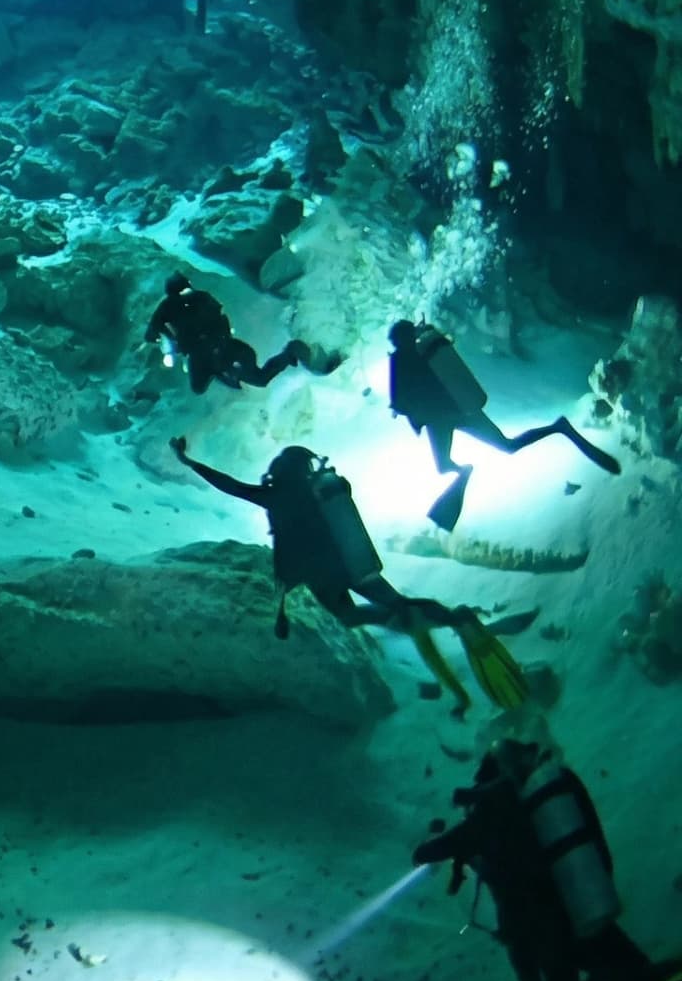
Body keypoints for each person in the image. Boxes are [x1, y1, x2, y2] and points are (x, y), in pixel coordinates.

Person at [170, 438, 530, 713]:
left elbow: (228, 484)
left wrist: (187, 460)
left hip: (320, 574)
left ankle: (396, 617)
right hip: (353, 562)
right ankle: (447, 616)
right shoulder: (324, 490)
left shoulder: (275, 495)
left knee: (348, 615)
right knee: (393, 601)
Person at [414, 738, 681, 981]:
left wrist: (421, 849)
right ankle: (643, 979)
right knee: (618, 958)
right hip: (572, 901)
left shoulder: (490, 808)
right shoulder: (527, 799)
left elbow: (436, 850)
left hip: (538, 925)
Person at [387, 320, 621, 530]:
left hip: (440, 420)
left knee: (445, 466)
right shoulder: (428, 348)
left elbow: (398, 400)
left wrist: (407, 412)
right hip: (464, 410)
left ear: (398, 339)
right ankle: (558, 427)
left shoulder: (400, 359)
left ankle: (466, 471)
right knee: (507, 446)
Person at [147, 275, 331, 396]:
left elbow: (150, 334)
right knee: (259, 378)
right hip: (229, 346)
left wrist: (168, 337)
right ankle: (290, 353)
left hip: (202, 354)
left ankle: (222, 371)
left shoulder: (166, 307)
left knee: (198, 387)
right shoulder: (201, 296)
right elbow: (221, 313)